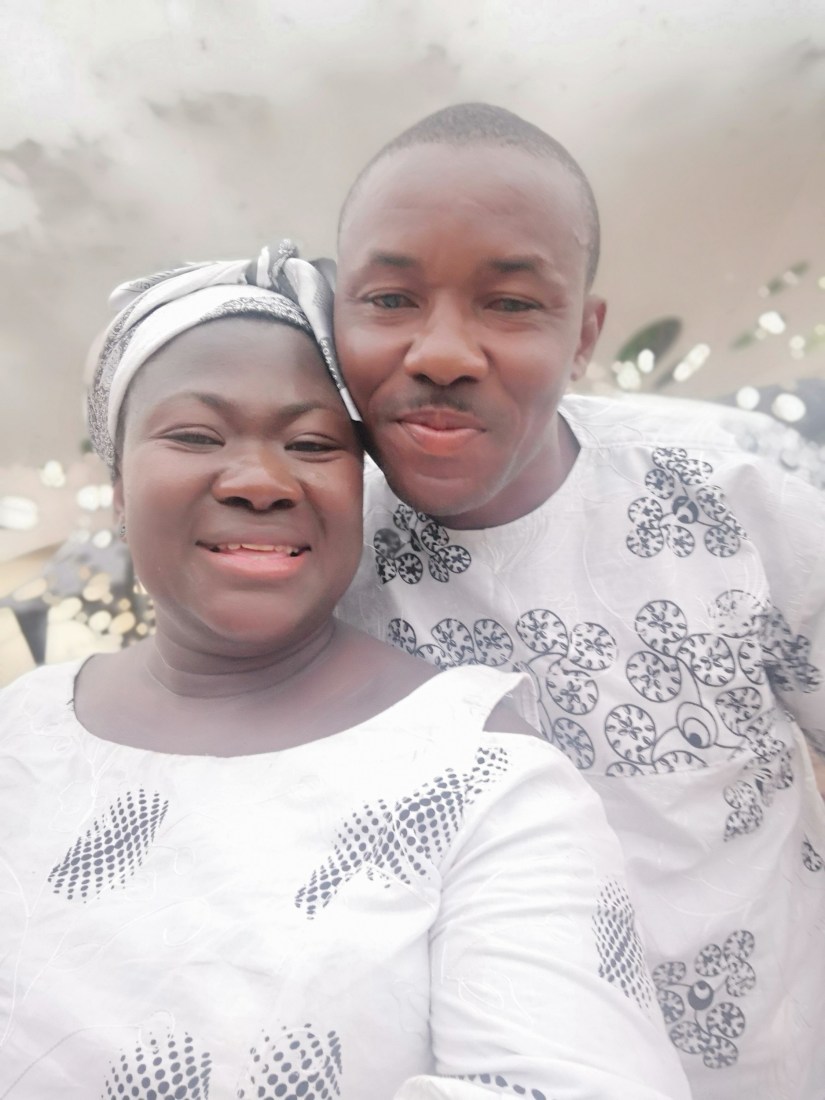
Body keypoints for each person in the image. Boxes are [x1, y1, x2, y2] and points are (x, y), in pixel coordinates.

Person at [0, 243, 690, 1100]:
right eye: (195, 435)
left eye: (313, 443)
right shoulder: (21, 731)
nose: (260, 481)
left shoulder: (477, 773)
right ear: (116, 487)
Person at [333, 104, 825, 1099]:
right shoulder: (320, 552)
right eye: (389, 298)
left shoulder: (736, 490)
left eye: (511, 303)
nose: (442, 351)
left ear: (584, 334)